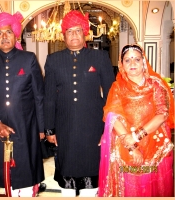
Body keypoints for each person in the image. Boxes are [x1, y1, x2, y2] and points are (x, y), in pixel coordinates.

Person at [43, 10, 115, 197]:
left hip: (93, 128)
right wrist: (50, 129)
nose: (74, 35)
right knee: (66, 175)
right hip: (64, 128)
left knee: (91, 181)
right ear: (63, 35)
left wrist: (107, 128)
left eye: (77, 30)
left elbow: (110, 95)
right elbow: (49, 97)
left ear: (85, 33)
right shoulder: (53, 60)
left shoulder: (100, 58)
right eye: (69, 31)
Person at [0, 11, 45, 197]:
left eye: (7, 32)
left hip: (26, 128)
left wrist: (41, 128)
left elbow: (39, 96)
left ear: (15, 34)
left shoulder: (28, 59)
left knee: (26, 175)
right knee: (6, 179)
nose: (4, 36)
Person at [98, 44, 174, 197]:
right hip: (126, 148)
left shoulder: (156, 85)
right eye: (127, 60)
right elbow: (113, 116)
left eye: (136, 59)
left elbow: (162, 114)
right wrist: (132, 147)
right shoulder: (117, 87)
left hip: (154, 145)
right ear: (121, 64)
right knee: (131, 186)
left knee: (153, 185)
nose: (132, 63)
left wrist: (135, 137)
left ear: (143, 62)